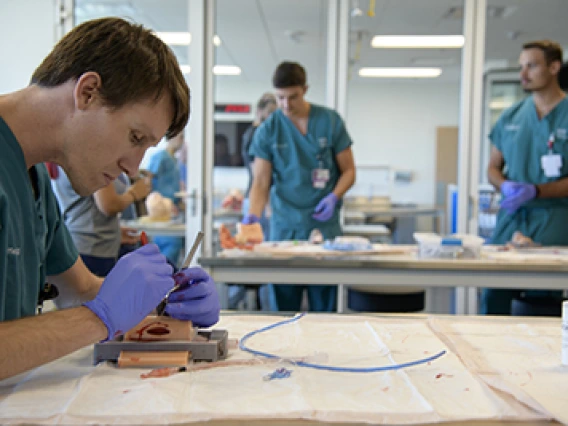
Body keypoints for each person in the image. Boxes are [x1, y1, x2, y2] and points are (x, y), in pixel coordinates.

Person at [0, 17, 220, 380]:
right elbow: (93, 309)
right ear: (87, 92)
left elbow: (81, 290)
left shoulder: (32, 173)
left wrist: (165, 305)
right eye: (135, 137)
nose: (132, 170)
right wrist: (98, 318)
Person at [244, 61, 356, 312]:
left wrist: (334, 197)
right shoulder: (269, 130)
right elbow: (261, 182)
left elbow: (349, 171)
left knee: (323, 306)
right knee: (283, 305)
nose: (285, 105)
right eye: (280, 97)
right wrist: (253, 215)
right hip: (285, 225)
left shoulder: (329, 121)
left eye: (292, 97)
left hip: (323, 225)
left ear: (305, 89)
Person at [485, 40, 568, 315]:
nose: (523, 74)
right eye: (521, 67)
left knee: (542, 298)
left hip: (555, 217)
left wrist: (537, 191)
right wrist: (505, 185)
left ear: (554, 67)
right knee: (493, 289)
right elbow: (493, 168)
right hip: (512, 217)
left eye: (531, 66)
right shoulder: (511, 116)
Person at [51, 168, 151, 276]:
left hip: (87, 243)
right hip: (93, 249)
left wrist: (115, 231)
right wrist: (134, 193)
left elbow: (83, 208)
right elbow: (108, 205)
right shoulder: (91, 159)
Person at [228, 93, 277, 310]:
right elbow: (260, 176)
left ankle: (261, 304)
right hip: (259, 202)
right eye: (269, 115)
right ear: (259, 113)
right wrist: (265, 205)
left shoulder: (263, 132)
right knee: (258, 254)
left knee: (264, 254)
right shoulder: (256, 134)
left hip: (262, 201)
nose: (272, 120)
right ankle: (253, 306)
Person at [147, 131, 185, 265]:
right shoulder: (160, 157)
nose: (182, 141)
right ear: (171, 137)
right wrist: (155, 204)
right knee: (168, 248)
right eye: (180, 137)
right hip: (161, 210)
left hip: (173, 210)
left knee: (175, 247)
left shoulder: (174, 159)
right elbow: (148, 179)